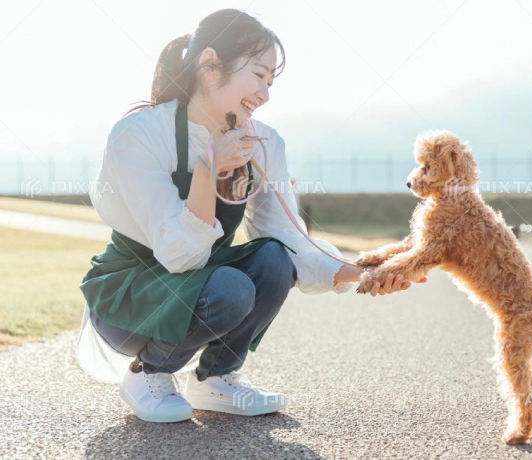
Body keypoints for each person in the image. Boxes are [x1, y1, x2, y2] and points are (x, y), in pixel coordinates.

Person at [78, 9, 419, 424]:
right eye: (258, 75)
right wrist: (207, 169)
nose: (265, 94)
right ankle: (149, 372)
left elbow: (290, 238)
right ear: (208, 65)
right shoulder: (139, 135)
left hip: (198, 278)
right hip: (131, 297)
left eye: (271, 82)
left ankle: (215, 378)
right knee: (231, 288)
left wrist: (360, 271)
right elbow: (178, 255)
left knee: (273, 259)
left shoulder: (263, 144)